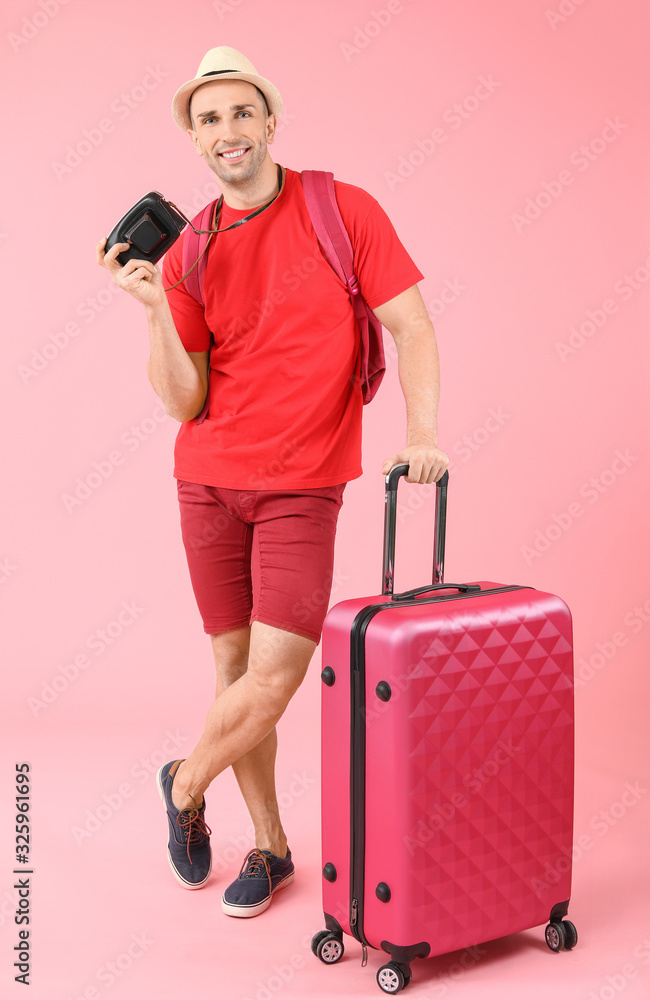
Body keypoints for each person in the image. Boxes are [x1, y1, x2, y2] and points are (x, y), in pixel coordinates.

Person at [96, 45, 449, 918]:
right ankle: (272, 846)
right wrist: (151, 310)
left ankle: (182, 785)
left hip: (301, 483)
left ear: (268, 121)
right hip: (207, 481)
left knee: (275, 675)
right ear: (193, 137)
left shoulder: (340, 207)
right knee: (231, 671)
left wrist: (423, 434)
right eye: (208, 119)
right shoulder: (187, 253)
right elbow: (185, 400)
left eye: (241, 113)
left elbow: (411, 327)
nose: (228, 131)